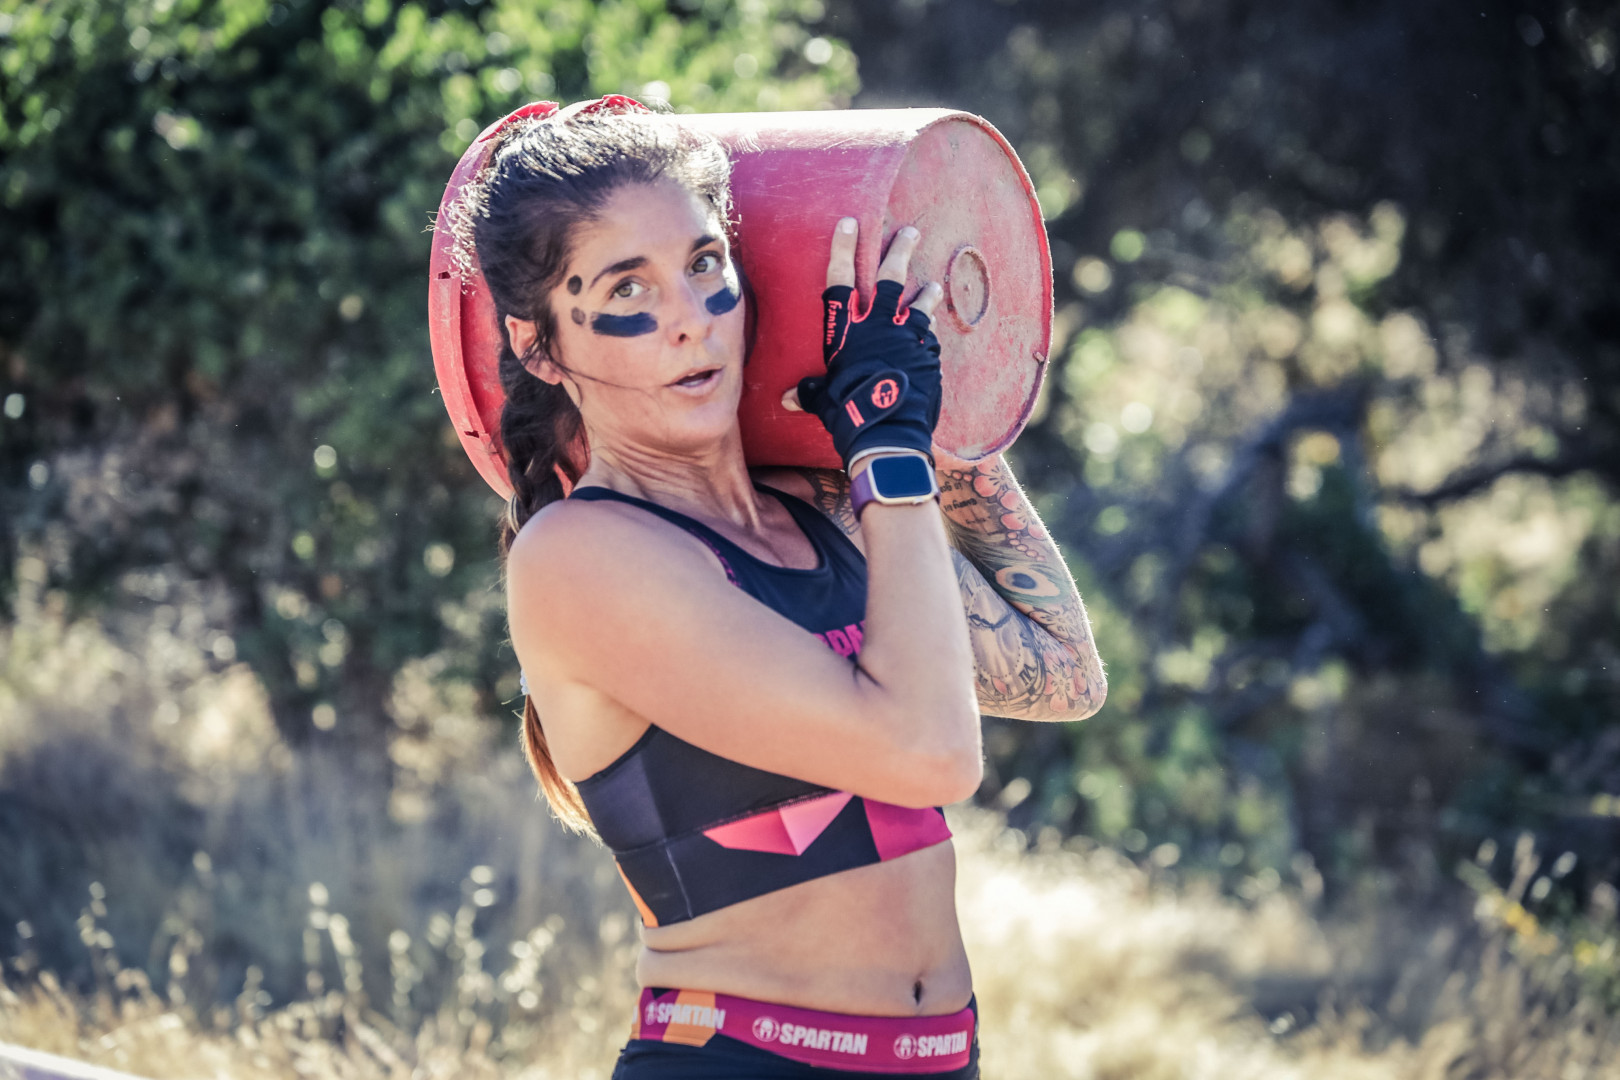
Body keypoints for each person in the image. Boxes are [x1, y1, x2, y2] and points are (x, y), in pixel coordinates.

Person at [455, 98, 1106, 1079]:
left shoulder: (826, 508)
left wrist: (938, 391)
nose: (691, 320)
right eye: (629, 287)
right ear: (540, 345)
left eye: (705, 265)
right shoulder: (583, 556)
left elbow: (1062, 673)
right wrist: (888, 450)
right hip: (740, 1058)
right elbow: (930, 752)